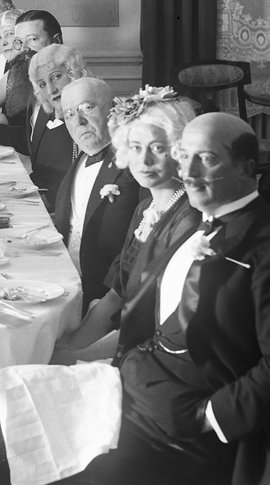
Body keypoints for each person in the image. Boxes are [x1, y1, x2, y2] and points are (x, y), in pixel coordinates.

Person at [0, 112, 270, 485]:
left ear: (246, 168)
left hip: (180, 427)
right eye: (184, 156)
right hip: (133, 384)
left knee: (32, 450)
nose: (189, 172)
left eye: (206, 159)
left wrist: (208, 416)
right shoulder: (192, 226)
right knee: (10, 403)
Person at [53, 86, 198, 359]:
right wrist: (71, 346)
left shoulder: (187, 220)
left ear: (179, 149)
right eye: (135, 147)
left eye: (157, 147)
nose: (144, 160)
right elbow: (115, 296)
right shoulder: (145, 209)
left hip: (154, 354)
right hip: (123, 337)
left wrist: (80, 356)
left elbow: (151, 323)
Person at [49, 77, 144, 311]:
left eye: (87, 108)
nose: (79, 121)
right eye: (69, 114)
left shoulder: (135, 165)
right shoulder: (78, 161)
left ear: (113, 109)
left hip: (103, 297)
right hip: (60, 283)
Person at [0, 34, 85, 203]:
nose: (51, 89)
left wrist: (44, 202)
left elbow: (84, 176)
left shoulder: (88, 114)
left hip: (58, 202)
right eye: (42, 84)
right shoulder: (46, 105)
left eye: (56, 77)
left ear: (73, 73)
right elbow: (32, 142)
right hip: (36, 188)